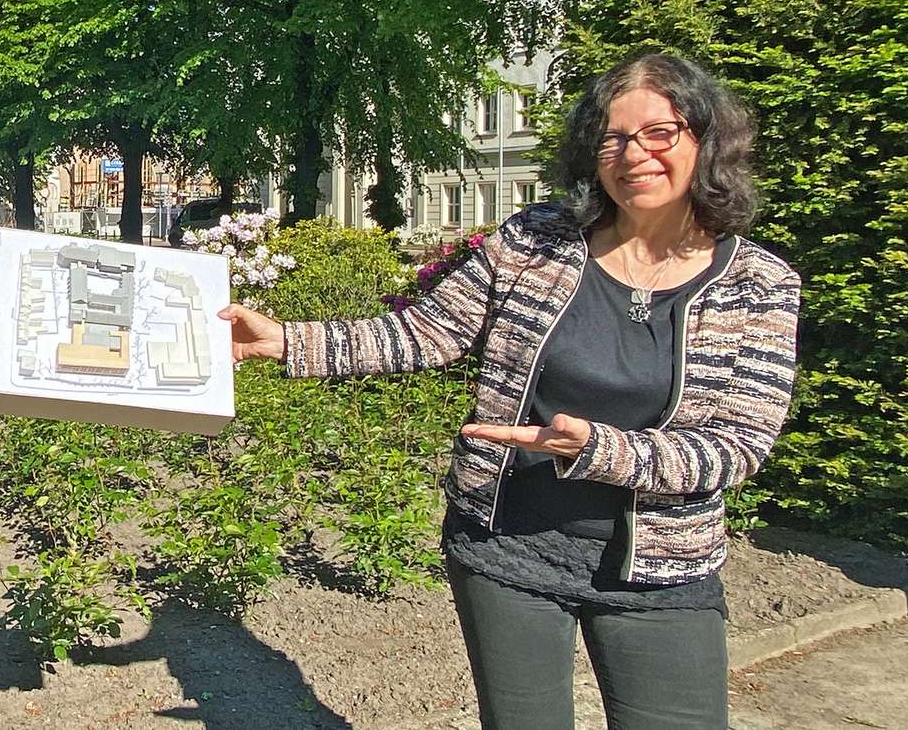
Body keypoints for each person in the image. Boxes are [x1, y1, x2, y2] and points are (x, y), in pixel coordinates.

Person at [220, 53, 801, 729]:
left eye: (658, 133)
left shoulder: (757, 284)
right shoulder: (536, 242)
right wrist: (288, 340)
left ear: (705, 142)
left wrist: (597, 450)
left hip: (661, 572)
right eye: (612, 137)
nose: (632, 153)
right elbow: (426, 332)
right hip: (506, 547)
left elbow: (738, 446)